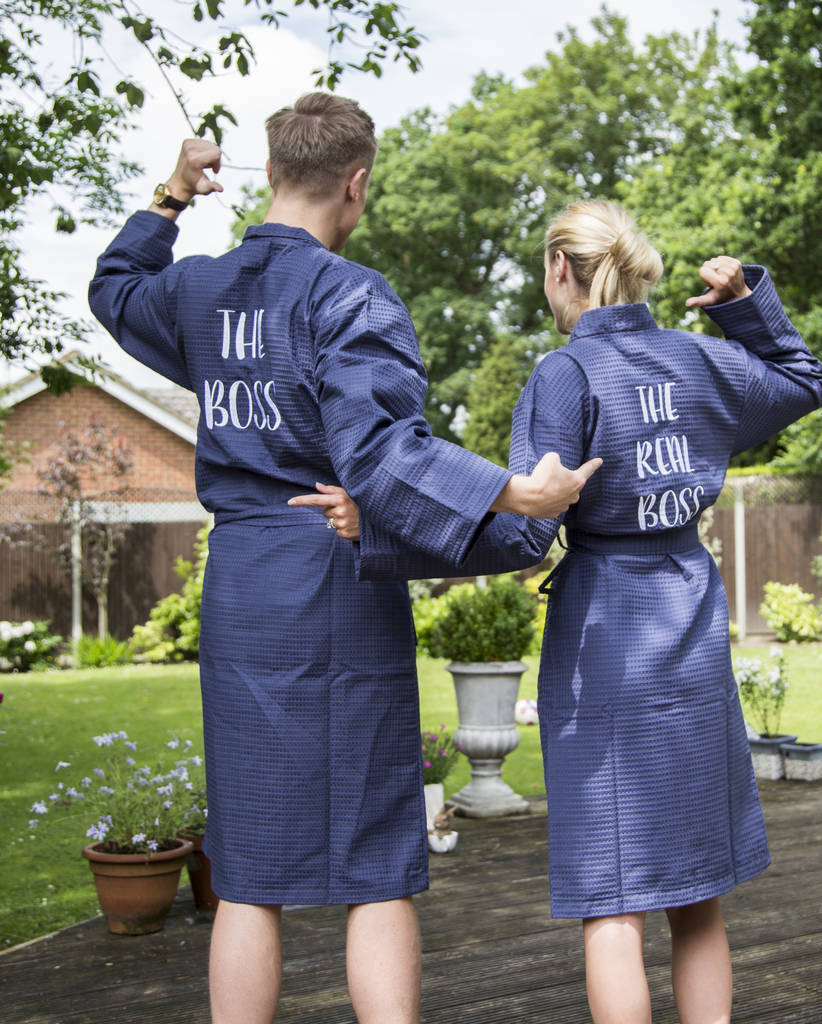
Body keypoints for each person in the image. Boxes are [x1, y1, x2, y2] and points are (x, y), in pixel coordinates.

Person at [87, 93, 600, 1024]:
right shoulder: (349, 294)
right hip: (335, 566)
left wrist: (170, 196)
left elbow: (115, 288)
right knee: (373, 858)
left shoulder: (198, 289)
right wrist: (513, 492)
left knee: (246, 866)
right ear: (355, 185)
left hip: (242, 581)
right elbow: (382, 456)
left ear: (274, 171)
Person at [296, 200, 822, 1023]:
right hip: (690, 618)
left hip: (606, 638)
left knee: (613, 897)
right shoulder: (700, 359)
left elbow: (522, 539)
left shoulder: (565, 375)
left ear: (558, 271)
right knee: (698, 891)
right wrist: (745, 302)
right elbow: (803, 381)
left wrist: (382, 534)